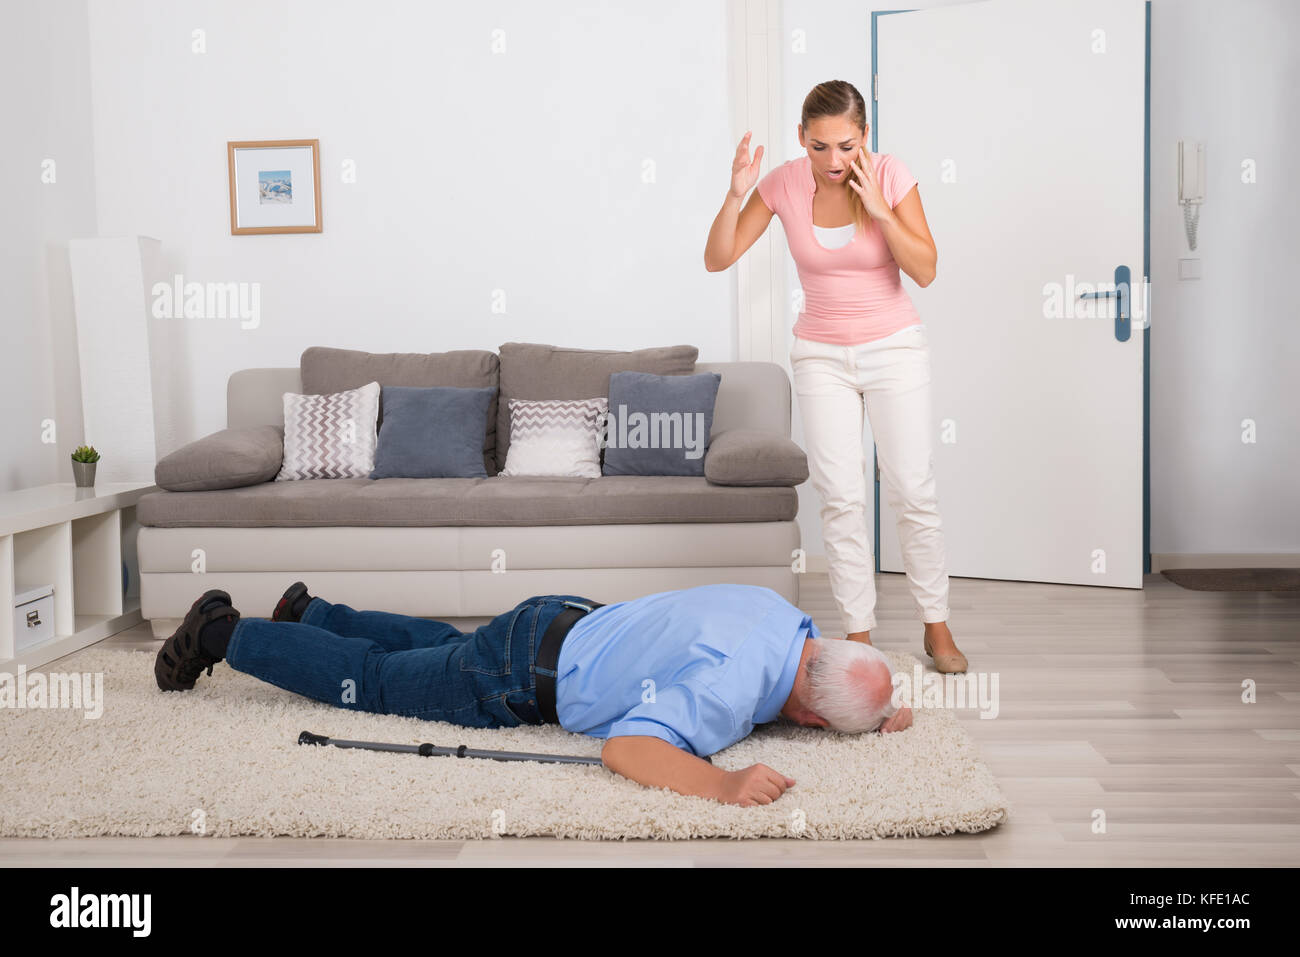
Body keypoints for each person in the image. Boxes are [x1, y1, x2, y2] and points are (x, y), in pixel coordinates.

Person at [155, 581, 913, 808]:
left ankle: (312, 618)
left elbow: (829, 674)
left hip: (560, 618)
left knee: (445, 645)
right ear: (810, 716)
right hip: (521, 679)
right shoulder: (728, 688)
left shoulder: (788, 620)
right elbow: (629, 748)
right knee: (382, 683)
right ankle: (225, 633)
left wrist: (872, 708)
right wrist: (721, 779)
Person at [703, 79, 967, 674]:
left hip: (894, 348)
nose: (832, 162)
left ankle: (937, 624)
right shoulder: (784, 185)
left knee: (912, 489)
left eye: (845, 146)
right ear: (802, 138)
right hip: (820, 355)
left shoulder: (892, 176)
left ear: (864, 136)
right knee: (841, 496)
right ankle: (860, 635)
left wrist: (878, 210)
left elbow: (924, 268)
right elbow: (718, 257)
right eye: (819, 147)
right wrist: (734, 193)